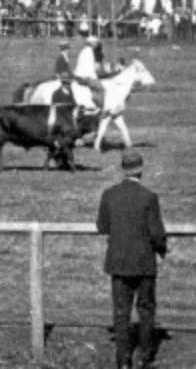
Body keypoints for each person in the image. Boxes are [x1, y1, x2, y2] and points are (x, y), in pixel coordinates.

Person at [97, 150, 168, 369]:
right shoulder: (149, 197)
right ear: (141, 169)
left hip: (118, 261)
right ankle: (144, 356)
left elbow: (102, 226)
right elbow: (157, 232)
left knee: (121, 311)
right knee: (146, 309)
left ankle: (122, 359)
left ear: (122, 169)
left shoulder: (109, 194)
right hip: (144, 262)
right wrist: (162, 250)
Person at [73, 26, 105, 109]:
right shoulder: (89, 52)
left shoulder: (85, 51)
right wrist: (96, 78)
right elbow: (90, 70)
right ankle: (99, 108)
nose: (96, 44)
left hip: (81, 75)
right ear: (92, 43)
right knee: (101, 89)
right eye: (95, 43)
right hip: (84, 77)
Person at [53, 40, 75, 104]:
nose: (68, 51)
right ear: (65, 49)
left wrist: (73, 74)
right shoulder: (60, 57)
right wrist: (70, 76)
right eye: (67, 49)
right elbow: (60, 70)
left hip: (65, 75)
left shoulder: (65, 56)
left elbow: (67, 68)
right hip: (62, 76)